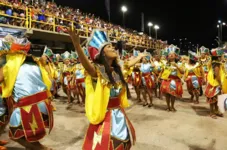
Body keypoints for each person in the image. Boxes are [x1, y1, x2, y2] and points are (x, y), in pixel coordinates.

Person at [68, 29, 147, 150]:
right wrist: (77, 45)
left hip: (119, 113)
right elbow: (87, 66)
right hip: (103, 114)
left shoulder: (118, 70)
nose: (113, 48)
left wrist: (140, 57)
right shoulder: (98, 71)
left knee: (123, 142)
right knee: (106, 143)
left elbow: (128, 64)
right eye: (109, 46)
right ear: (102, 53)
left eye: (113, 46)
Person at [0, 35, 53, 150]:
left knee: (15, 135)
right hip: (44, 104)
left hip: (27, 107)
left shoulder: (9, 66)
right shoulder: (35, 63)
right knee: (30, 133)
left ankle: (41, 149)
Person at [160, 45, 184, 112]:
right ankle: (168, 107)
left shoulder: (179, 63)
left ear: (176, 56)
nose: (170, 55)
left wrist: (176, 65)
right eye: (169, 54)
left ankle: (172, 106)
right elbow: (162, 71)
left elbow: (182, 72)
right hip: (167, 80)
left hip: (175, 80)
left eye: (172, 54)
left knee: (173, 95)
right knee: (167, 95)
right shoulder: (165, 63)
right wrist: (159, 78)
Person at [205, 48, 224, 119]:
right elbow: (217, 75)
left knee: (216, 99)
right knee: (213, 99)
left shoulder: (213, 62)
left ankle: (215, 111)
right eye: (221, 55)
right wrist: (220, 84)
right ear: (218, 56)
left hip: (212, 83)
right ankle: (212, 112)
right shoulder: (217, 64)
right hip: (215, 84)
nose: (222, 56)